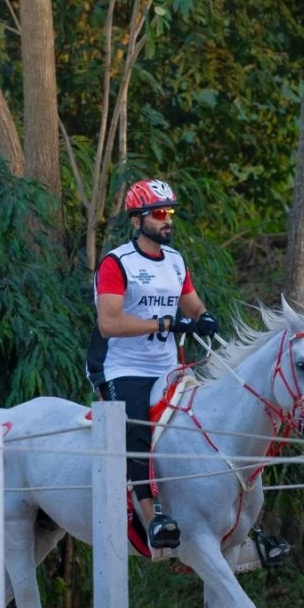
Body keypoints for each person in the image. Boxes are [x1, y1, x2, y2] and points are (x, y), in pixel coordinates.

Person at [86, 178, 218, 550]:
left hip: (167, 365)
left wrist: (205, 317)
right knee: (138, 432)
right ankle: (150, 517)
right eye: (159, 213)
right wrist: (164, 323)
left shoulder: (175, 261)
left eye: (170, 212)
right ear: (137, 220)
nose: (167, 220)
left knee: (205, 419)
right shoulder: (117, 263)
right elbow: (109, 324)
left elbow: (191, 303)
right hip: (123, 367)